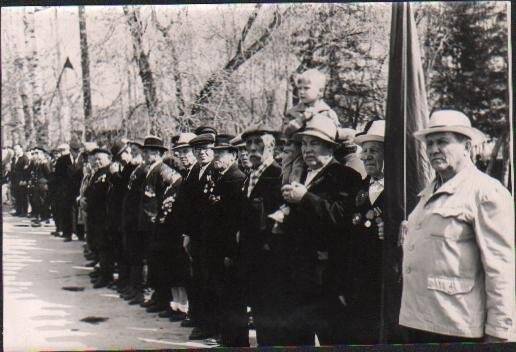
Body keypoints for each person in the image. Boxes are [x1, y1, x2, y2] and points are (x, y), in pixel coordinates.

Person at [399, 110, 515, 343]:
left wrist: (499, 332)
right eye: (429, 143)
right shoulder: (428, 193)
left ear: (467, 147)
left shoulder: (486, 192)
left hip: (457, 325)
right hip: (419, 321)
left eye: (442, 141)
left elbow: (501, 268)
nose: (433, 149)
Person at [280, 115, 361, 346]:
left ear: (330, 147)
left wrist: (305, 198)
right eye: (304, 144)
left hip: (327, 275)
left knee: (331, 337)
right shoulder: (302, 175)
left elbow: (340, 217)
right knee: (297, 337)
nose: (306, 150)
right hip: (298, 272)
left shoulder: (346, 176)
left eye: (314, 143)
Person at [199, 134, 247, 346]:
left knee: (232, 298)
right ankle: (227, 338)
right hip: (216, 248)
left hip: (227, 249)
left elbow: (235, 222)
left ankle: (235, 341)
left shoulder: (235, 179)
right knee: (223, 295)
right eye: (215, 152)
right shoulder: (220, 176)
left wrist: (230, 252)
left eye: (221, 153)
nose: (216, 156)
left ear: (233, 155)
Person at [238, 125, 284, 346]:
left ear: (272, 146)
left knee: (270, 315)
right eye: (249, 144)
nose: (253, 149)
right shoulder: (251, 175)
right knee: (259, 311)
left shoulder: (277, 175)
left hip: (269, 259)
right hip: (251, 258)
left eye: (259, 144)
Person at [345, 120, 386, 344]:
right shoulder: (357, 189)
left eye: (374, 150)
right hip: (359, 289)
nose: (365, 156)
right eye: (364, 150)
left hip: (387, 288)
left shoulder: (404, 192)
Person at [183, 130, 220, 340]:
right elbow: (189, 205)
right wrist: (187, 234)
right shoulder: (195, 170)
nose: (202, 153)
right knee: (199, 279)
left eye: (206, 149)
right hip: (197, 235)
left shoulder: (216, 171)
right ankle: (204, 322)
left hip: (212, 237)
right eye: (198, 149)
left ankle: (213, 326)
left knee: (211, 281)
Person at [138, 136, 174, 312]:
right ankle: (157, 297)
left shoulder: (163, 169)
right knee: (153, 262)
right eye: (145, 151)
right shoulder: (149, 169)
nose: (146, 154)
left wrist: (162, 213)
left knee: (160, 263)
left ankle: (163, 300)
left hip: (157, 225)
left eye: (150, 151)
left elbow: (177, 184)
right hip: (148, 224)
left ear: (159, 153)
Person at [120, 138, 148, 305]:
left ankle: (140, 290)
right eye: (132, 150)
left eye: (137, 150)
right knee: (131, 252)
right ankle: (133, 286)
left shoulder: (145, 169)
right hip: (130, 218)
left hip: (138, 219)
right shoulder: (134, 168)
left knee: (139, 255)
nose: (133, 153)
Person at [85, 148, 113, 288]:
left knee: (104, 247)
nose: (97, 161)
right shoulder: (97, 172)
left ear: (108, 158)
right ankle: (101, 271)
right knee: (97, 243)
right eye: (96, 159)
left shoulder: (109, 172)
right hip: (94, 214)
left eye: (100, 159)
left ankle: (106, 276)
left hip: (103, 215)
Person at [11, 144, 30, 217]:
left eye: (17, 149)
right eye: (14, 149)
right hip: (15, 180)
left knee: (23, 196)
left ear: (21, 149)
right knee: (17, 196)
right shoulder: (14, 158)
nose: (15, 151)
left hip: (22, 180)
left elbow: (26, 171)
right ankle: (18, 211)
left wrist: (24, 180)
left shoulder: (24, 158)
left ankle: (24, 212)